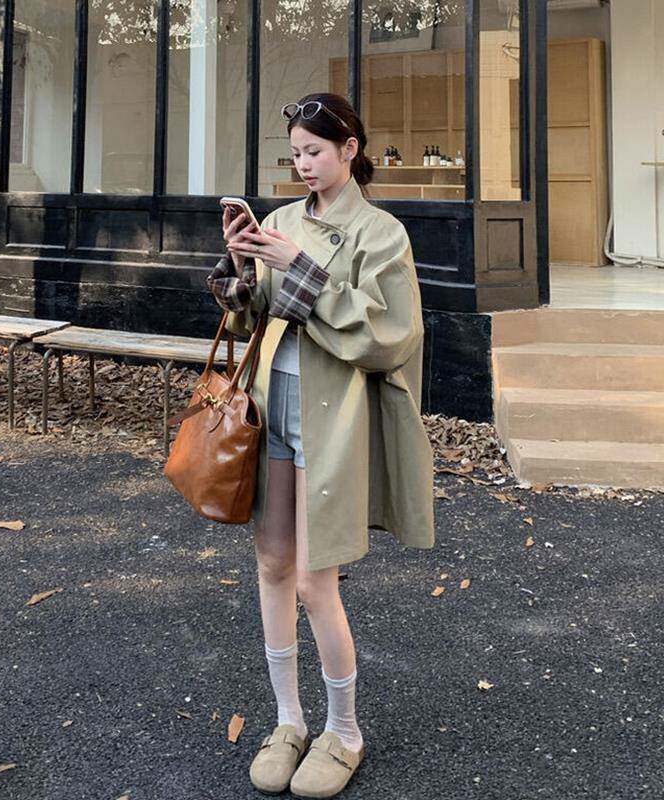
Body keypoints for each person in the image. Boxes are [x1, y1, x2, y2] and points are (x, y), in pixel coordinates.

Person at [205, 92, 435, 798]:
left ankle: (344, 731)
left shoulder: (381, 233)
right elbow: (252, 317)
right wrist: (241, 268)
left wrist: (298, 266)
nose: (304, 164)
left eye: (315, 151)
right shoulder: (279, 221)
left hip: (334, 421)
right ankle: (288, 721)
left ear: (350, 150)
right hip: (271, 411)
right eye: (296, 153)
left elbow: (390, 334)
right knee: (272, 565)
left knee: (314, 581)